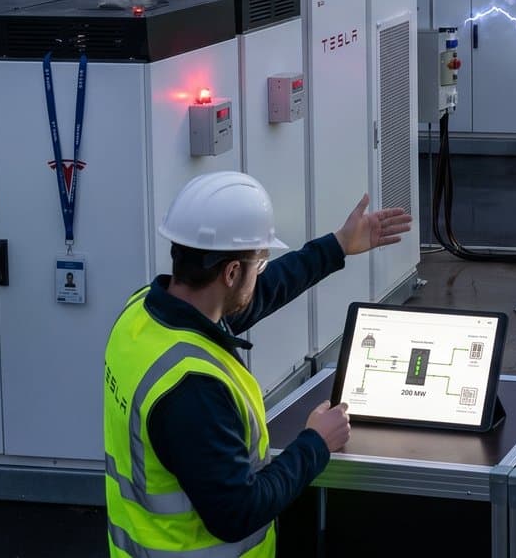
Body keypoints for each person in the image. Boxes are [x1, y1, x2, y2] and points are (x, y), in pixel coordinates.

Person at [103, 172, 412, 557]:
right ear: (231, 272)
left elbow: (257, 295)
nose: (261, 274)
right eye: (259, 263)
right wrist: (316, 443)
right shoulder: (191, 388)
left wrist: (337, 247)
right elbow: (237, 513)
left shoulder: (142, 315)